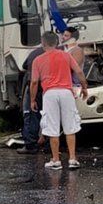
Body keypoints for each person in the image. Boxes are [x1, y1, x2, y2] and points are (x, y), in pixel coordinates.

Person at [29, 31, 88, 170]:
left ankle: (56, 160)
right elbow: (79, 72)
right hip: (67, 92)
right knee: (70, 126)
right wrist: (84, 87)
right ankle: (72, 159)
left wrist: (32, 100)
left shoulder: (38, 60)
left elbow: (34, 82)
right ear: (57, 43)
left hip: (50, 94)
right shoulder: (66, 55)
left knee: (52, 127)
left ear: (43, 43)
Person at [20, 43, 47, 153]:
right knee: (50, 116)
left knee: (31, 115)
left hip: (34, 87)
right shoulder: (60, 53)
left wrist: (32, 99)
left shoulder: (34, 53)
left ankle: (30, 145)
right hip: (50, 88)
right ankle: (49, 145)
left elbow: (25, 66)